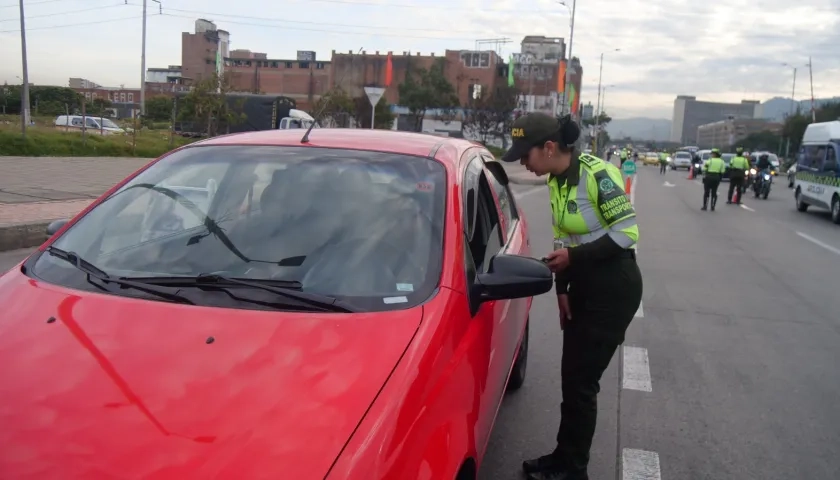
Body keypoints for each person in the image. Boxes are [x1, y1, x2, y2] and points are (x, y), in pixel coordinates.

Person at [501, 112, 643, 480]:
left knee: (581, 385)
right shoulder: (555, 181)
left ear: (549, 148)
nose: (522, 163)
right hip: (583, 285)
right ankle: (563, 457)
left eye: (525, 155)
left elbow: (628, 232)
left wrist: (573, 260)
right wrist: (563, 290)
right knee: (571, 379)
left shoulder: (596, 174)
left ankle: (573, 470)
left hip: (613, 288)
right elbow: (563, 237)